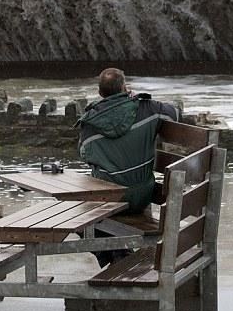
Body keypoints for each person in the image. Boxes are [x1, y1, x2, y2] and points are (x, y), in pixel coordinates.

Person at [75, 68, 179, 266]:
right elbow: (174, 114)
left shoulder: (90, 122)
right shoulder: (147, 109)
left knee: (73, 214)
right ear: (124, 87)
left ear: (100, 93)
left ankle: (114, 255)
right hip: (143, 195)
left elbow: (84, 154)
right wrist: (133, 99)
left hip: (109, 201)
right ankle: (118, 256)